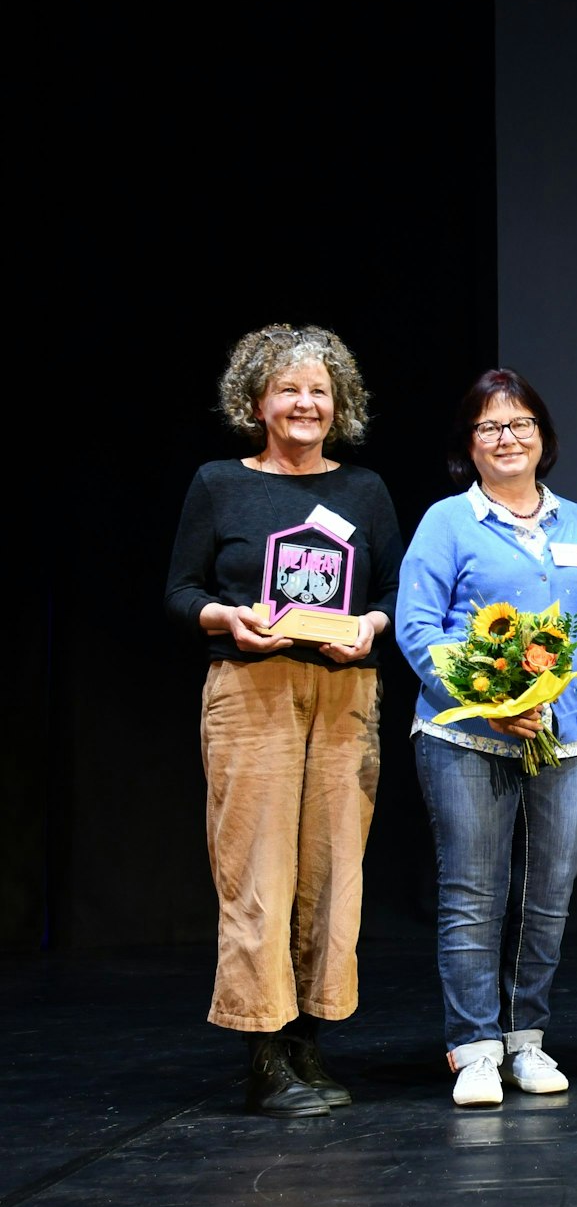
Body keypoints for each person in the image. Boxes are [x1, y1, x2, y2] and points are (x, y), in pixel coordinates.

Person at [165, 323, 403, 1117]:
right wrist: (224, 619)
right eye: (289, 390)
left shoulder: (364, 490)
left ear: (340, 406)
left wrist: (371, 626)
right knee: (258, 876)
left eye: (319, 392)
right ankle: (263, 1053)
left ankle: (308, 1041)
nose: (305, 403)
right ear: (257, 402)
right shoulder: (217, 483)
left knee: (333, 877)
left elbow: (392, 596)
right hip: (252, 689)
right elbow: (179, 591)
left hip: (344, 696)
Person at [397, 370, 577, 1106]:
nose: (507, 438)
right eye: (490, 427)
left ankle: (526, 1040)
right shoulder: (447, 522)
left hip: (563, 738)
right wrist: (487, 701)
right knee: (473, 895)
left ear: (542, 436)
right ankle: (475, 1048)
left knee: (548, 899)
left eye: (520, 425)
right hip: (466, 740)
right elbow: (419, 632)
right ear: (468, 446)